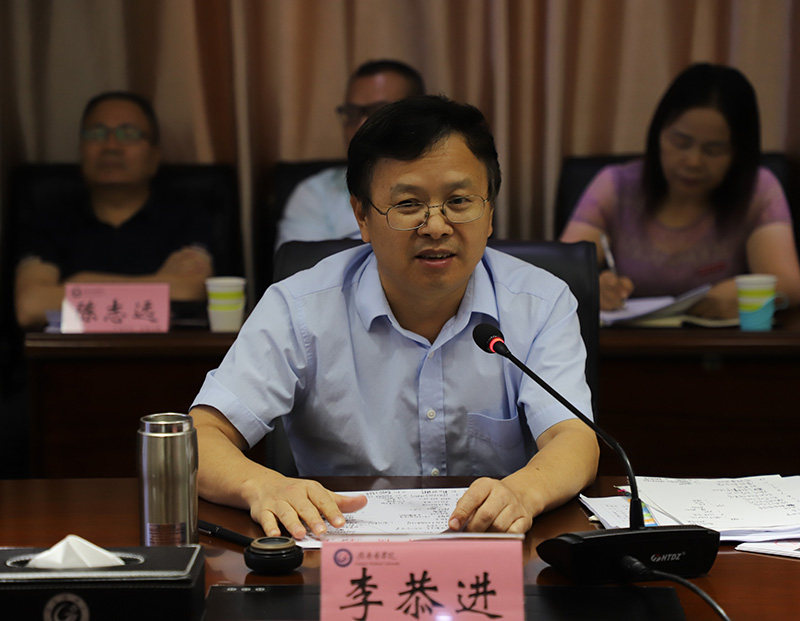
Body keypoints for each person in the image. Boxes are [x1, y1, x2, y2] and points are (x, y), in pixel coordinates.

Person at [190, 95, 599, 540]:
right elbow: (201, 438)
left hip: (493, 549)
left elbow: (574, 439)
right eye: (408, 204)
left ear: (489, 213)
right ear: (362, 217)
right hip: (342, 553)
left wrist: (523, 492)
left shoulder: (540, 302)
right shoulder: (300, 307)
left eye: (459, 201)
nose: (436, 226)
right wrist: (261, 485)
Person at [560, 63, 800, 317]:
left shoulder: (757, 190)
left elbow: (791, 285)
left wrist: (742, 293)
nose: (693, 162)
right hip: (628, 338)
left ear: (739, 152)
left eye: (714, 150)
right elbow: (558, 270)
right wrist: (592, 287)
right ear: (658, 135)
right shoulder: (616, 185)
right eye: (681, 142)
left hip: (718, 339)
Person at [14, 91, 214, 329]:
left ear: (154, 156)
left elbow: (189, 292)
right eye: (96, 133)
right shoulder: (48, 220)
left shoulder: (189, 218)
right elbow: (31, 306)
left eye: (128, 134)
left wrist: (79, 284)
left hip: (162, 352)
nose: (111, 145)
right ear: (81, 149)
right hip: (70, 353)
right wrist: (160, 284)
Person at [274, 59, 425, 249]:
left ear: (419, 117)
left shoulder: (449, 184)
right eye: (352, 113)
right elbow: (299, 265)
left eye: (378, 112)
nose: (361, 125)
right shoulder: (317, 193)